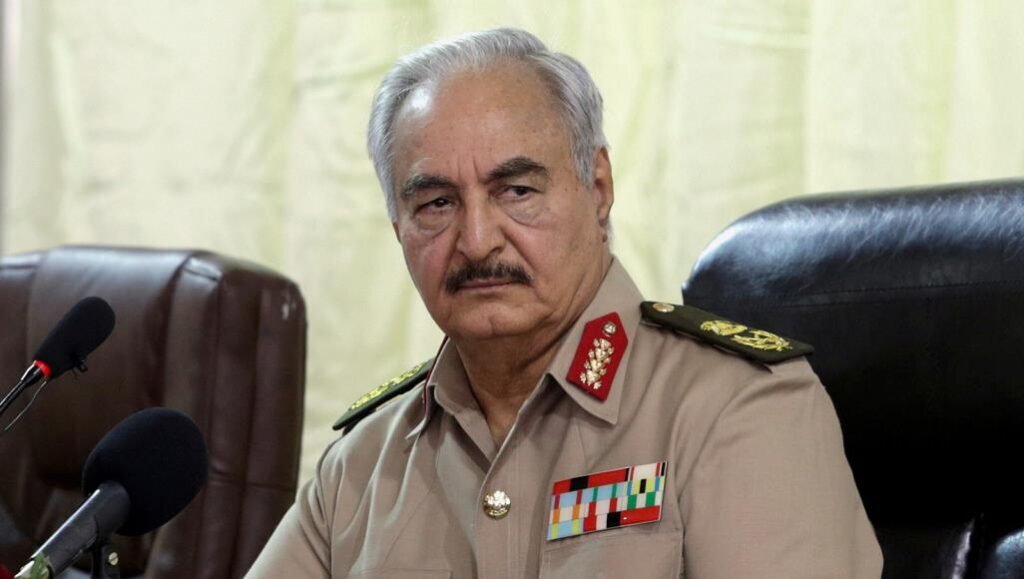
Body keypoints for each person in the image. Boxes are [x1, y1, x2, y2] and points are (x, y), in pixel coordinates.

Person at [247, 28, 882, 578]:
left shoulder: (735, 409)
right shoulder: (360, 468)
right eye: (436, 204)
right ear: (399, 230)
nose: (477, 240)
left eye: (516, 191)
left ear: (598, 188)